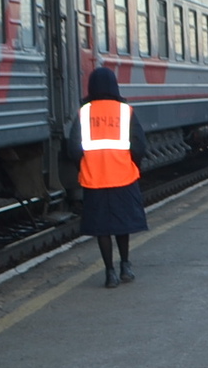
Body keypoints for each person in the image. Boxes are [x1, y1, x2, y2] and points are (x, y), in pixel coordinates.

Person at [60, 66, 148, 288]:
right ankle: (125, 265)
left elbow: (73, 149)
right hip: (123, 177)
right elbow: (139, 146)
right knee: (122, 224)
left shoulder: (84, 113)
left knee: (102, 228)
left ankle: (109, 273)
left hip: (94, 178)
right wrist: (131, 164)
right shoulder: (125, 112)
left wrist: (87, 163)